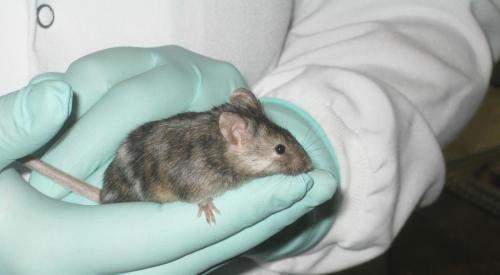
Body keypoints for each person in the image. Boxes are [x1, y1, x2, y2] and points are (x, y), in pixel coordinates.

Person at [1, 1, 499, 274]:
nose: (292, 156)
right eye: (283, 149)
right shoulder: (210, 159)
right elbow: (194, 181)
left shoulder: (231, 147)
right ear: (236, 135)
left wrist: (329, 132)